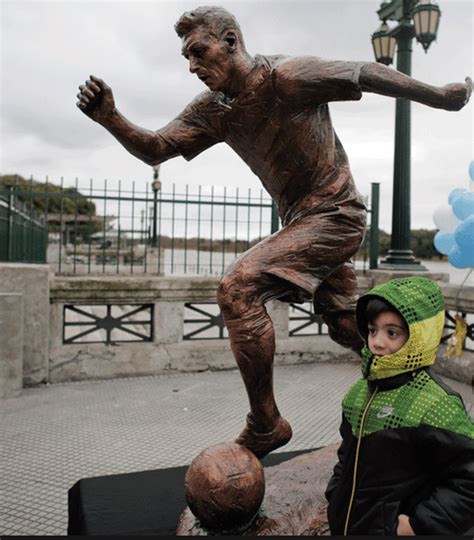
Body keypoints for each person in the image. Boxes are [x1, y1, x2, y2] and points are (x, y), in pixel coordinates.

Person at [76, 6, 472, 458]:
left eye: (199, 52)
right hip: (303, 224)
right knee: (346, 325)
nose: (192, 67)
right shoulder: (214, 110)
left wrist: (440, 96)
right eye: (186, 58)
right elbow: (158, 148)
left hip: (336, 214)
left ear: (229, 41)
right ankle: (421, 388)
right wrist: (111, 118)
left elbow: (366, 72)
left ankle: (265, 424)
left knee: (238, 288)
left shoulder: (288, 76)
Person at [325, 276, 474, 535]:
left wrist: (418, 524)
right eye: (372, 330)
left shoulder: (437, 405)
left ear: (420, 336)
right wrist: (335, 493)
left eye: (392, 332)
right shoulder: (358, 392)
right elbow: (345, 455)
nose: (377, 342)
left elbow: (468, 480)